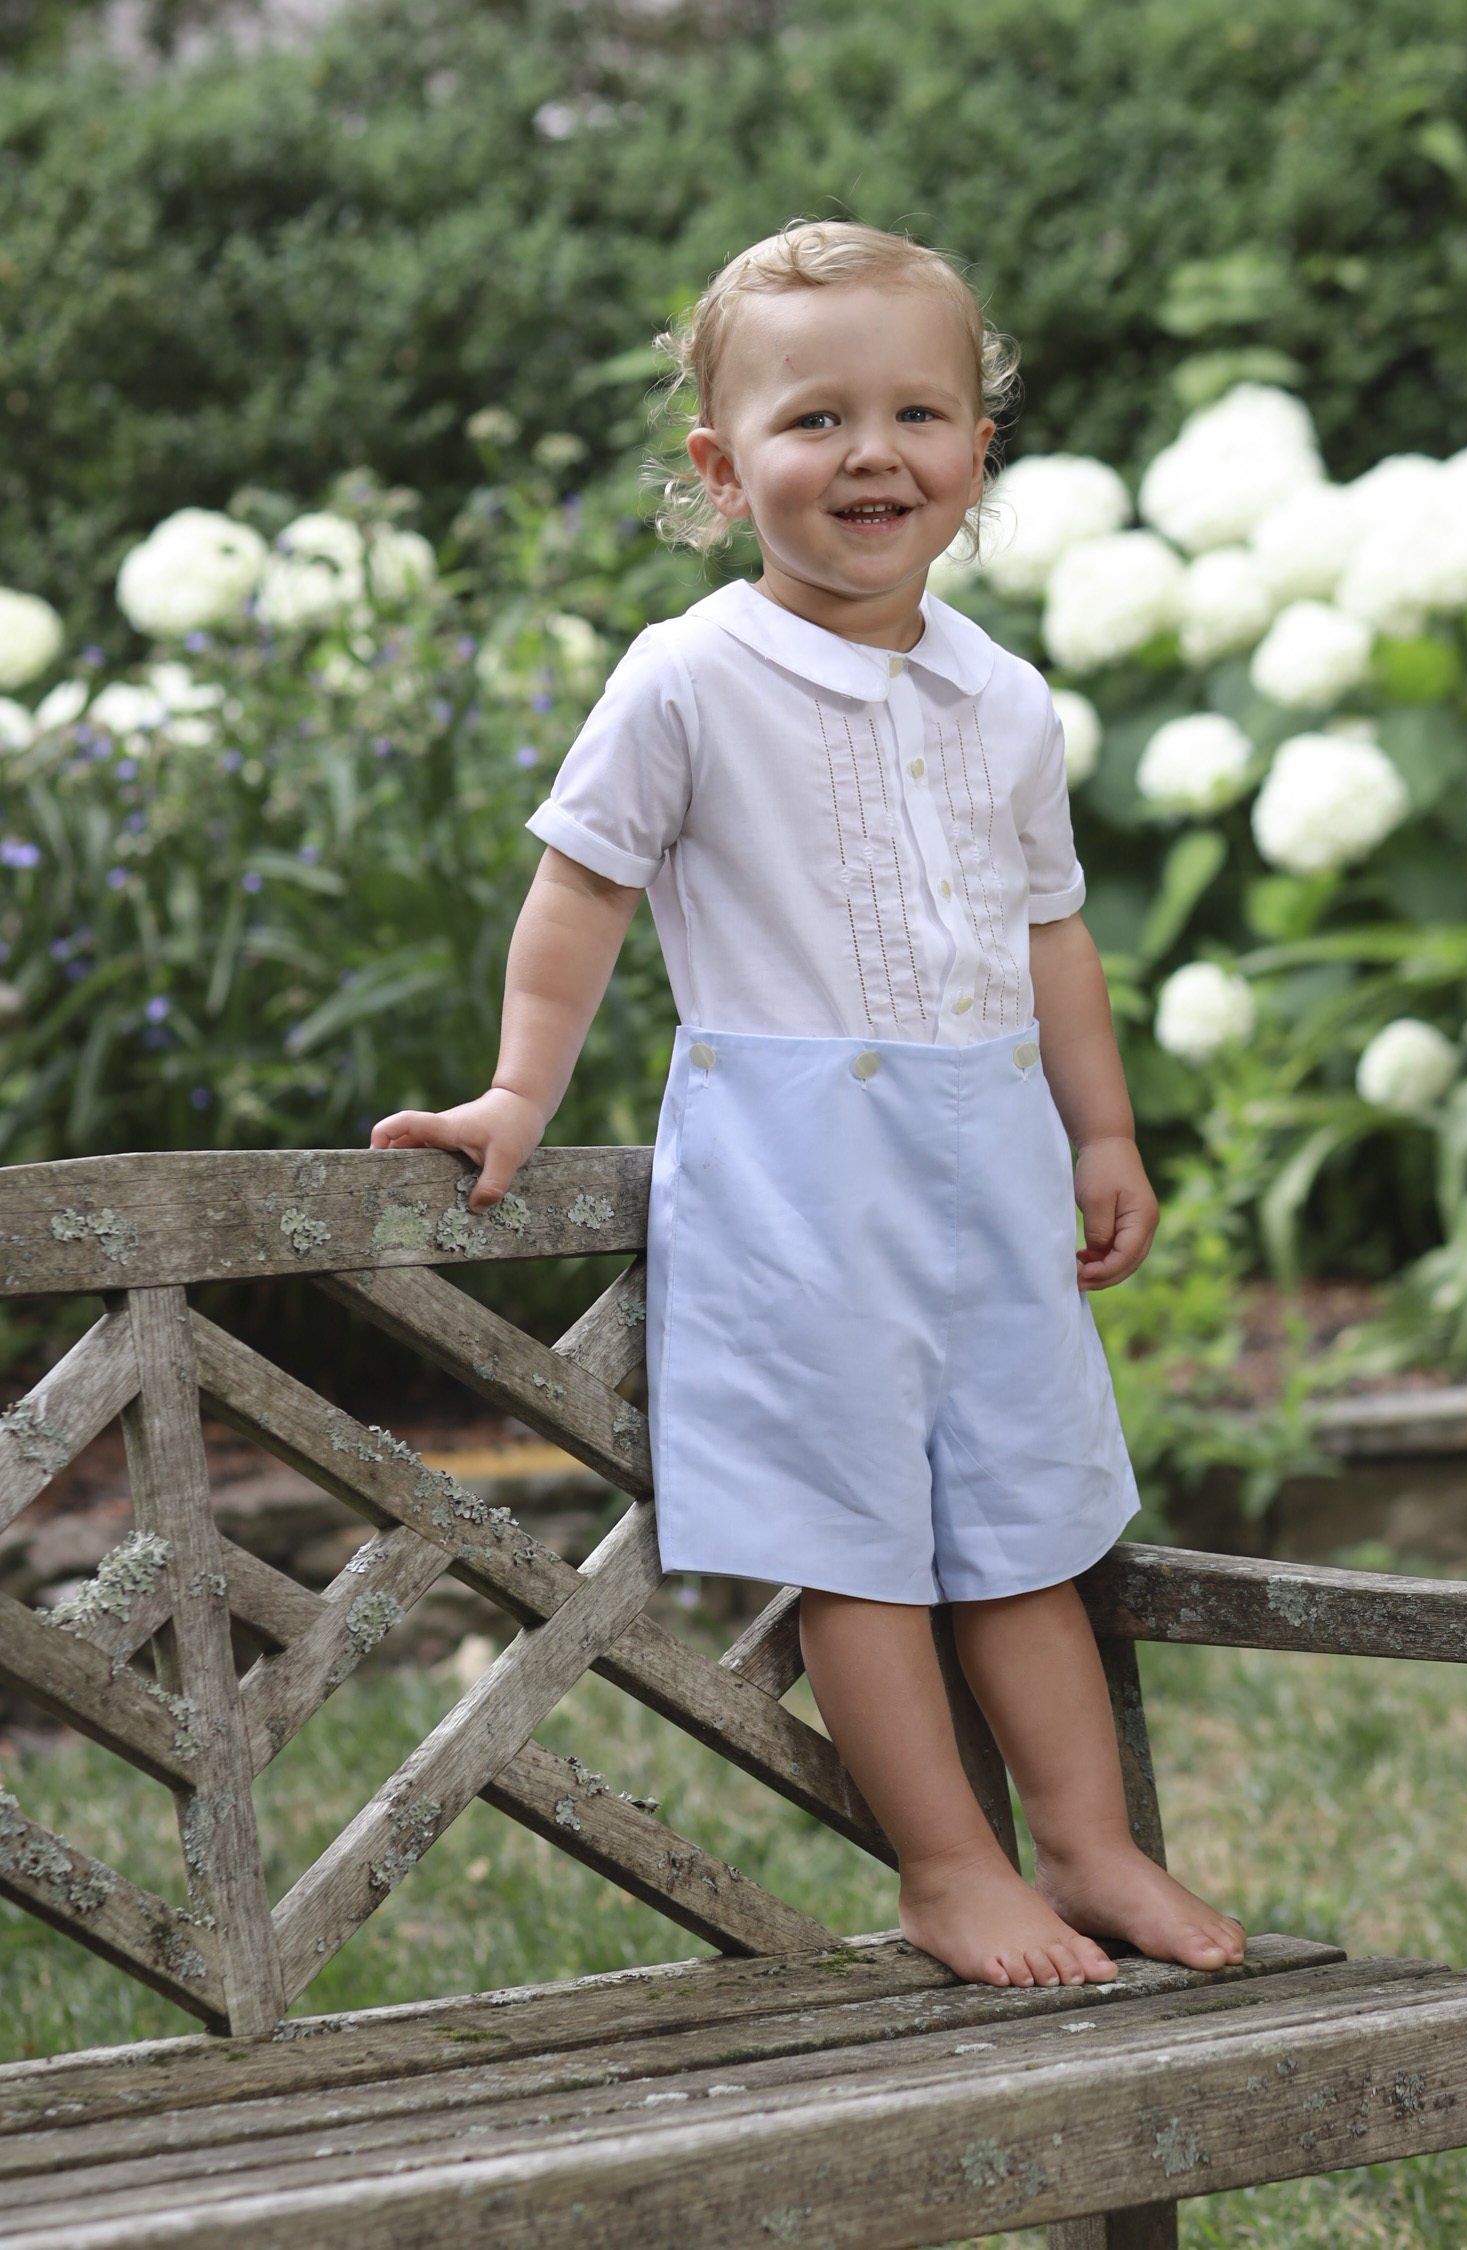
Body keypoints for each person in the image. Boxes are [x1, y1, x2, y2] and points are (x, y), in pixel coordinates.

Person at [370, 217, 1247, 1992]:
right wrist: (518, 1089)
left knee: (1018, 1521)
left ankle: (1084, 1842)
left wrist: (1100, 1133)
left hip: (989, 1161)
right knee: (861, 1538)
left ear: (977, 453)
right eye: (813, 419)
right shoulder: (690, 675)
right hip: (796, 1174)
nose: (872, 454)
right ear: (718, 468)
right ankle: (948, 1862)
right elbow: (582, 888)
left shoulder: (998, 695)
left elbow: (1050, 932)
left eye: (918, 413)